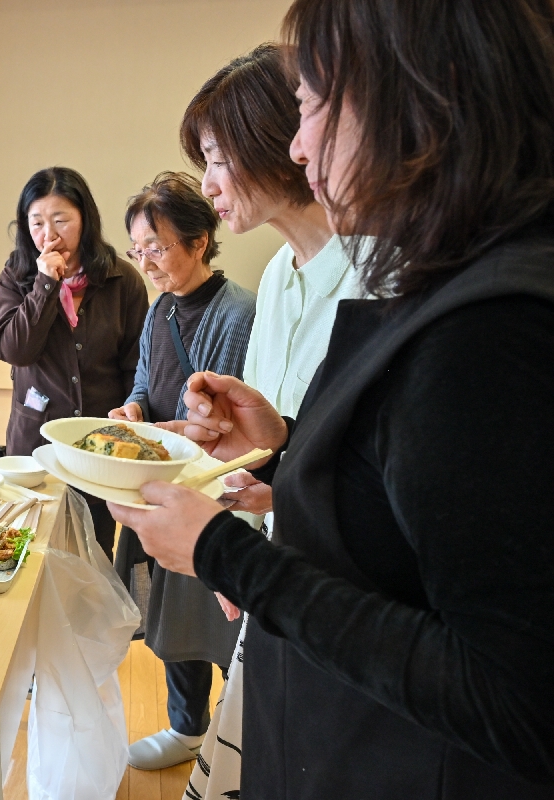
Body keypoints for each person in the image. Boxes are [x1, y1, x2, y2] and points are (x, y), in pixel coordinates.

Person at [109, 0, 554, 796]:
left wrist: (225, 554)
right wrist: (286, 444)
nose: (298, 143)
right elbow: (406, 503)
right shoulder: (456, 282)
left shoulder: (491, 325)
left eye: (312, 107)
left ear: (413, 98)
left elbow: (511, 694)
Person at [170, 43, 364, 797]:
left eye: (219, 159)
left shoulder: (380, 274)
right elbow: (272, 443)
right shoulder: (280, 274)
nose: (209, 184)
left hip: (342, 588)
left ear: (284, 138)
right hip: (279, 563)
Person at [108, 172, 255, 771]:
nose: (145, 262)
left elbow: (216, 421)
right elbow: (145, 382)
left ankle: (232, 736)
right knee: (171, 608)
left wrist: (151, 434)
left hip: (214, 489)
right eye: (137, 249)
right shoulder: (161, 308)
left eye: (157, 247)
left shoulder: (236, 311)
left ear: (199, 242)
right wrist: (133, 410)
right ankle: (187, 727)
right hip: (165, 479)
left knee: (218, 615)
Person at [0, 166, 148, 559]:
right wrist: (45, 284)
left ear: (85, 219)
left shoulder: (122, 280)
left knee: (94, 554)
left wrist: (132, 419)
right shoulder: (16, 276)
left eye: (61, 220)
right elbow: (15, 350)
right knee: (30, 554)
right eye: (37, 222)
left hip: (99, 444)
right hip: (36, 441)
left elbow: (137, 366)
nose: (49, 234)